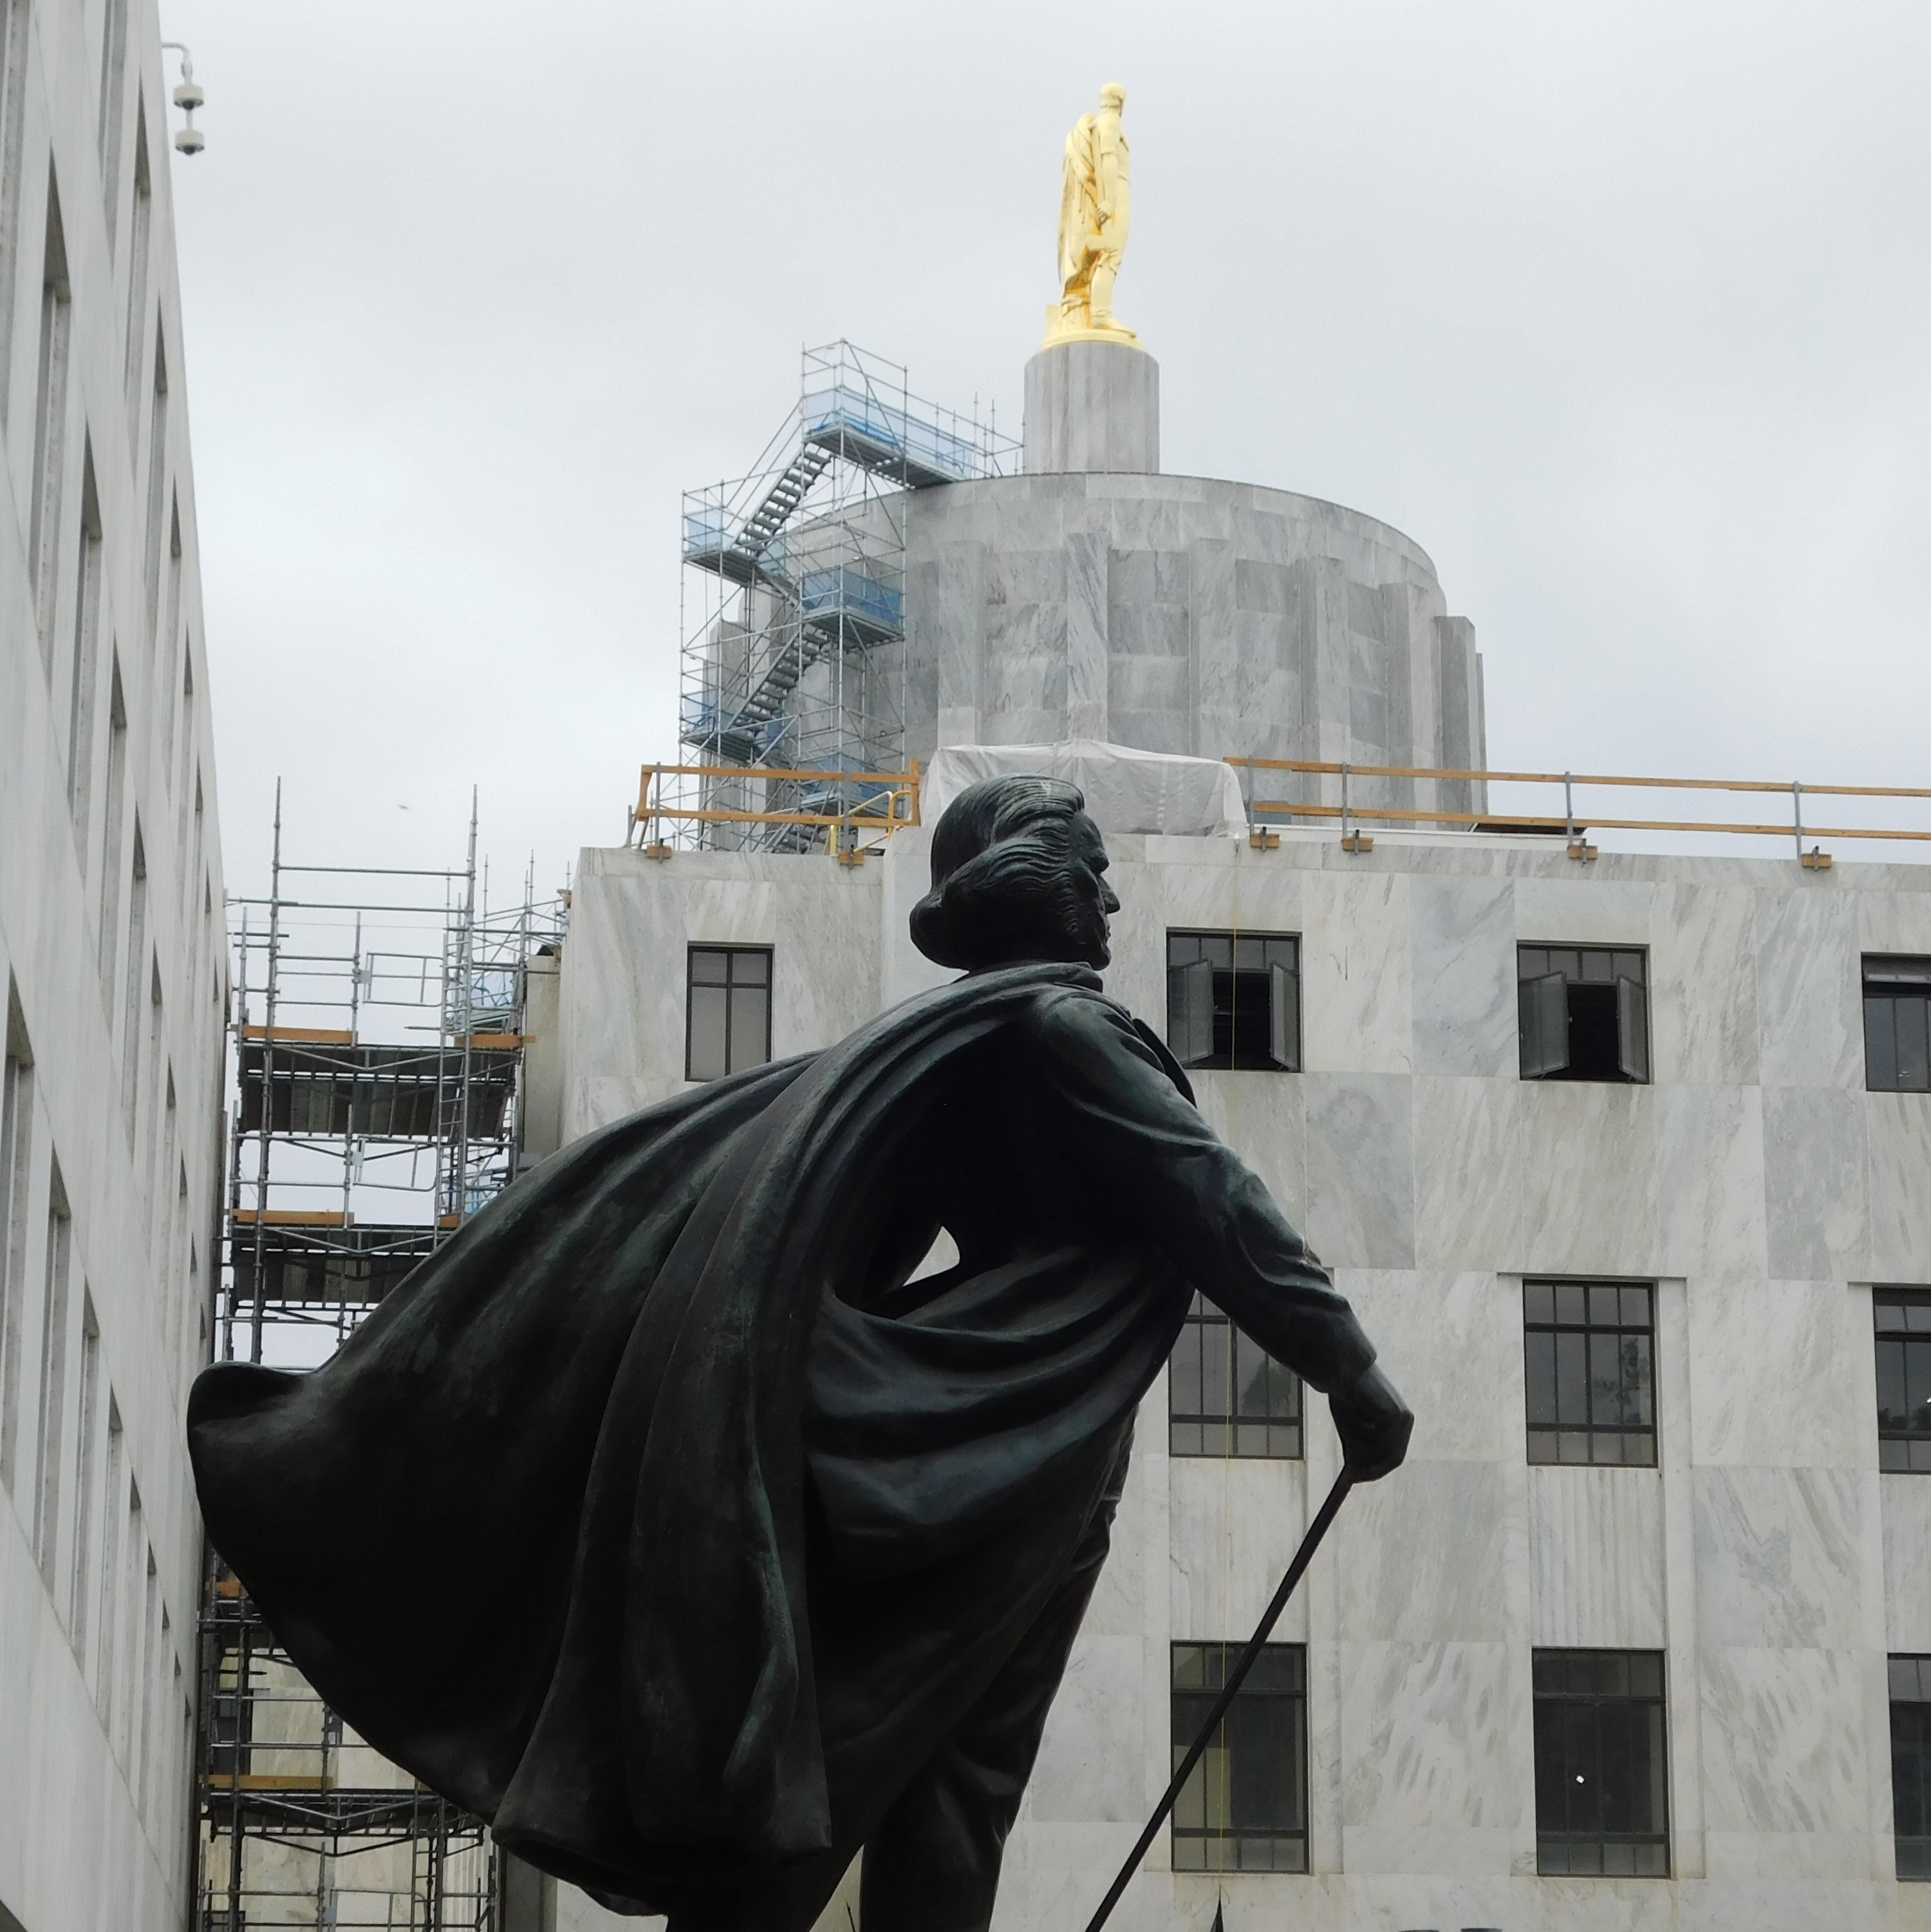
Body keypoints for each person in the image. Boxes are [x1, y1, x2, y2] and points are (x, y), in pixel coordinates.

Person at [188, 775, 1411, 1932]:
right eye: (1095, 872)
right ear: (1038, 879)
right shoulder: (1063, 1028)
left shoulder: (971, 1039)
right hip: (981, 1435)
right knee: (897, 1746)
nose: (1113, 899)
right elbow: (1213, 1199)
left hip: (1017, 1442)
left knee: (946, 1758)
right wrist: (1348, 1370)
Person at [1054, 83, 1136, 337]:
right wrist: (1110, 200)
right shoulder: (1110, 123)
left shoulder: (1100, 123)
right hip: (1116, 191)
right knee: (1111, 252)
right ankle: (1101, 314)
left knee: (1109, 250)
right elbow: (1108, 156)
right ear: (1121, 103)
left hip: (1114, 190)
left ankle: (1099, 308)